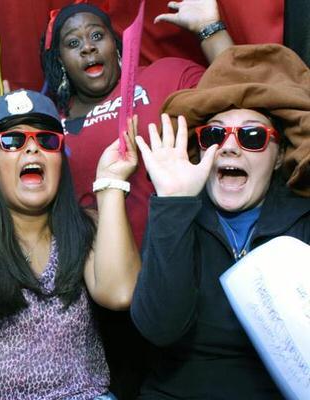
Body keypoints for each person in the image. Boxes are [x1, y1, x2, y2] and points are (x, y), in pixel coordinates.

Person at [0, 89, 140, 399]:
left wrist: (111, 184)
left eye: (47, 141)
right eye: (12, 141)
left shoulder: (86, 225)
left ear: (60, 158)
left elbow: (120, 292)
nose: (32, 149)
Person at [131, 44, 310, 398]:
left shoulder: (302, 220)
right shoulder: (175, 210)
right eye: (215, 135)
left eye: (252, 136)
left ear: (278, 157)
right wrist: (173, 205)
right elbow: (159, 329)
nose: (229, 148)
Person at [40, 0, 233, 247]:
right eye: (73, 43)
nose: (88, 47)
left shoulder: (166, 75)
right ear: (60, 60)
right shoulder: (50, 122)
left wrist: (210, 28)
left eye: (97, 35)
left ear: (116, 44)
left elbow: (239, 91)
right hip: (98, 266)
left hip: (183, 247)